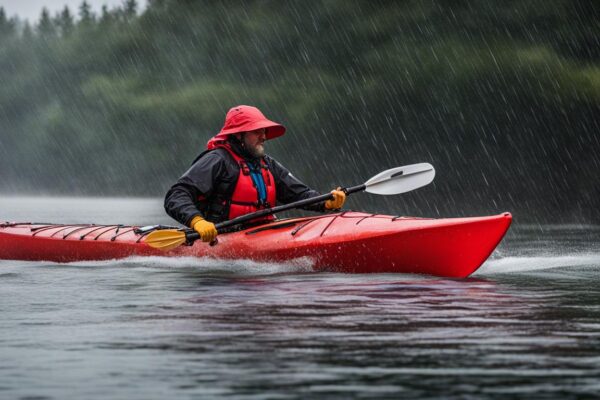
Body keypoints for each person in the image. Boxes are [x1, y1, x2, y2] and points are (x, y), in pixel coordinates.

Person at [164, 105, 346, 242]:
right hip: (222, 236)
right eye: (256, 131)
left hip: (263, 233)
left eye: (264, 131)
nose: (264, 136)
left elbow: (300, 195)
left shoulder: (267, 164)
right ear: (238, 135)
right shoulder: (218, 160)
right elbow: (176, 195)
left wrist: (327, 202)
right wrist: (197, 222)